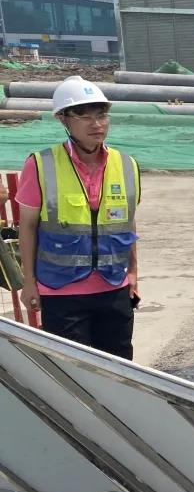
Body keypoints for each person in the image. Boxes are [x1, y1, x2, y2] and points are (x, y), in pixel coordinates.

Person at [16, 76, 140, 359]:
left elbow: (128, 224)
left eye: (101, 115)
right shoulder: (40, 165)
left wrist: (133, 272)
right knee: (71, 369)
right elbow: (28, 227)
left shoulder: (126, 164)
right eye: (84, 116)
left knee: (120, 367)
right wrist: (29, 281)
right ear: (63, 119)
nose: (96, 124)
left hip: (113, 287)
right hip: (61, 291)